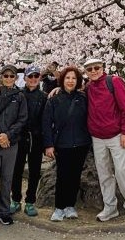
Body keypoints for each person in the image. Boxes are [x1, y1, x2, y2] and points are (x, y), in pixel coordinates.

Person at [83, 58, 125, 223]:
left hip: (116, 136)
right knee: (104, 175)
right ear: (86, 72)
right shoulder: (88, 88)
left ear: (102, 68)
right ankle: (110, 208)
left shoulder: (113, 81)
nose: (93, 71)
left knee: (122, 172)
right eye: (89, 69)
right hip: (97, 137)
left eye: (96, 67)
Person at [0, 65, 27, 232]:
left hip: (11, 143)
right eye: (5, 76)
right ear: (1, 77)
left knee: (7, 179)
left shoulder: (20, 97)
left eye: (11, 76)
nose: (8, 78)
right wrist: (0, 136)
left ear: (16, 78)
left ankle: (4, 211)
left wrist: (8, 135)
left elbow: (22, 119)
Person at [42, 66, 89, 222]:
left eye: (74, 78)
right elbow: (46, 123)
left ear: (78, 81)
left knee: (75, 176)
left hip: (81, 143)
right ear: (62, 80)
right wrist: (48, 145)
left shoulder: (83, 98)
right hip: (62, 144)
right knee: (62, 176)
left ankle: (70, 205)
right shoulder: (54, 99)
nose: (70, 81)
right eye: (68, 78)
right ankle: (59, 207)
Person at [11, 65, 47, 216]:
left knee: (34, 172)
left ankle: (31, 201)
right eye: (30, 76)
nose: (33, 79)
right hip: (19, 137)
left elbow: (46, 121)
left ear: (39, 78)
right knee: (16, 170)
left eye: (36, 76)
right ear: (24, 78)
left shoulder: (44, 97)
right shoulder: (18, 95)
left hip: (36, 139)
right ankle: (15, 199)